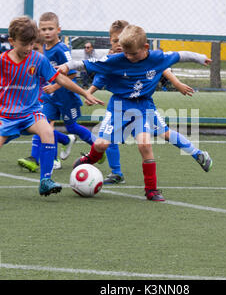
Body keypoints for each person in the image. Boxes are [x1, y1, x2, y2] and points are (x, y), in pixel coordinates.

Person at [0, 16, 104, 198]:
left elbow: (60, 78)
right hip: (5, 117)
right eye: (24, 44)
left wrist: (85, 93)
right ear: (12, 41)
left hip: (31, 114)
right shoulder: (1, 61)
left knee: (48, 132)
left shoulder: (38, 59)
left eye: (32, 44)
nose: (29, 48)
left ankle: (45, 180)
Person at [58, 24, 211, 202]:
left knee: (145, 145)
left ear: (145, 48)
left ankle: (151, 190)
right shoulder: (115, 60)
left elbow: (181, 55)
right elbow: (84, 64)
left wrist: (200, 58)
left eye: (132, 53)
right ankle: (89, 159)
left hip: (143, 106)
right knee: (101, 145)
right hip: (119, 106)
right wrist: (67, 66)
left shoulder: (157, 58)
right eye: (125, 53)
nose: (128, 57)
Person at [17, 12, 105, 173]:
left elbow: (72, 73)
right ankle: (34, 159)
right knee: (41, 123)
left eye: (50, 28)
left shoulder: (61, 49)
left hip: (66, 97)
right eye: (43, 29)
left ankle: (97, 148)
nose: (47, 32)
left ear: (58, 29)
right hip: (50, 98)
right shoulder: (44, 47)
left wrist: (55, 86)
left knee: (72, 127)